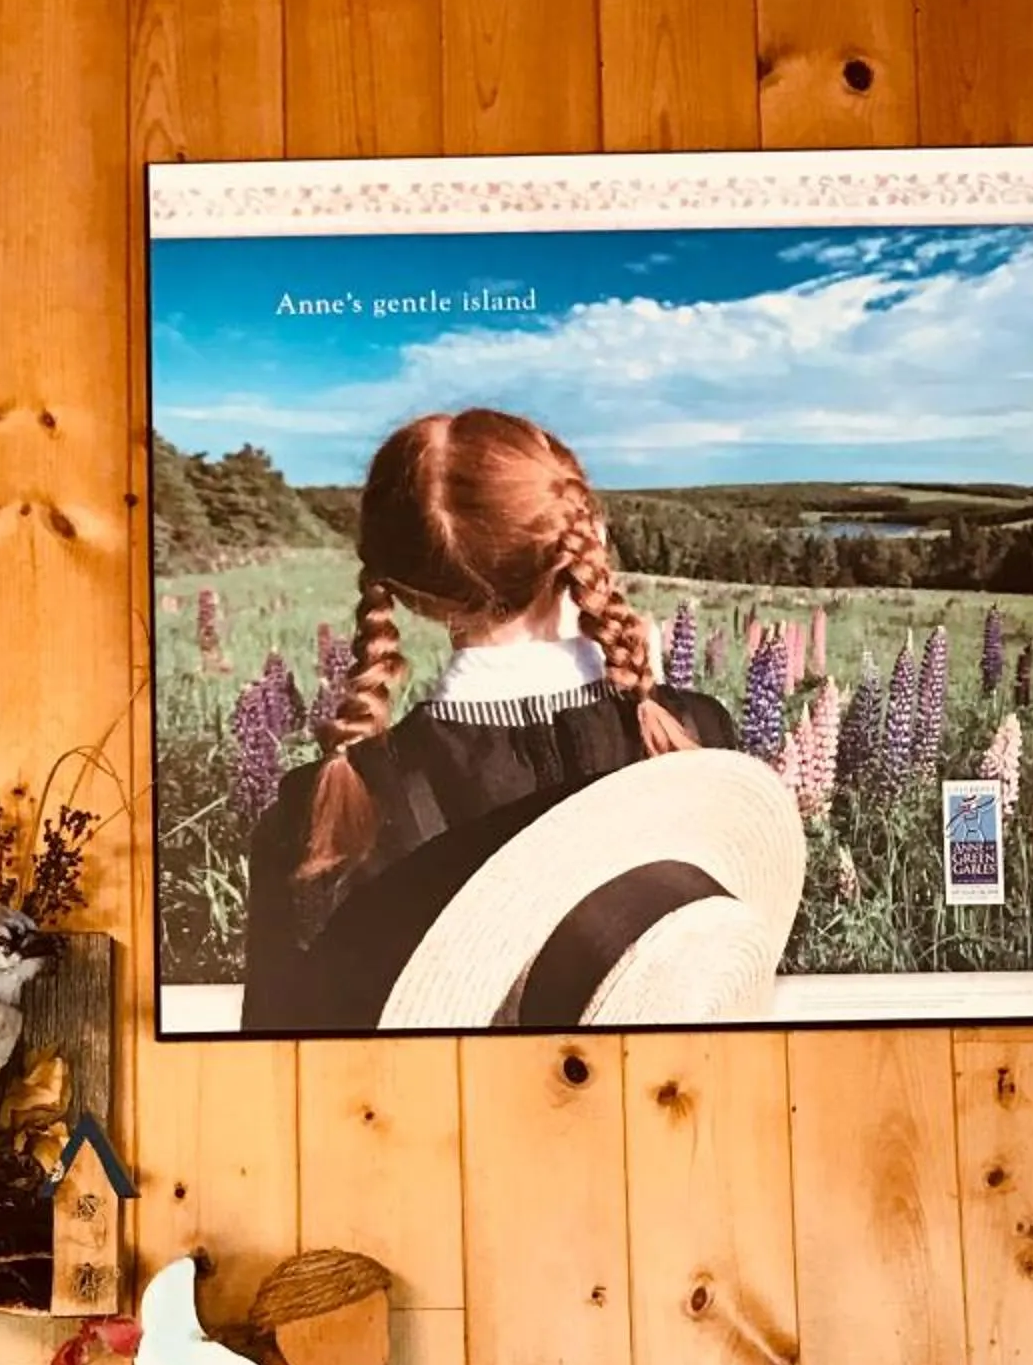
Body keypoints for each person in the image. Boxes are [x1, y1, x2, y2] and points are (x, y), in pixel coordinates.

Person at [240, 408, 742, 1032]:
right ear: (585, 532)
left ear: (408, 593)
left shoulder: (318, 813)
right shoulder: (696, 738)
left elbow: (281, 1052)